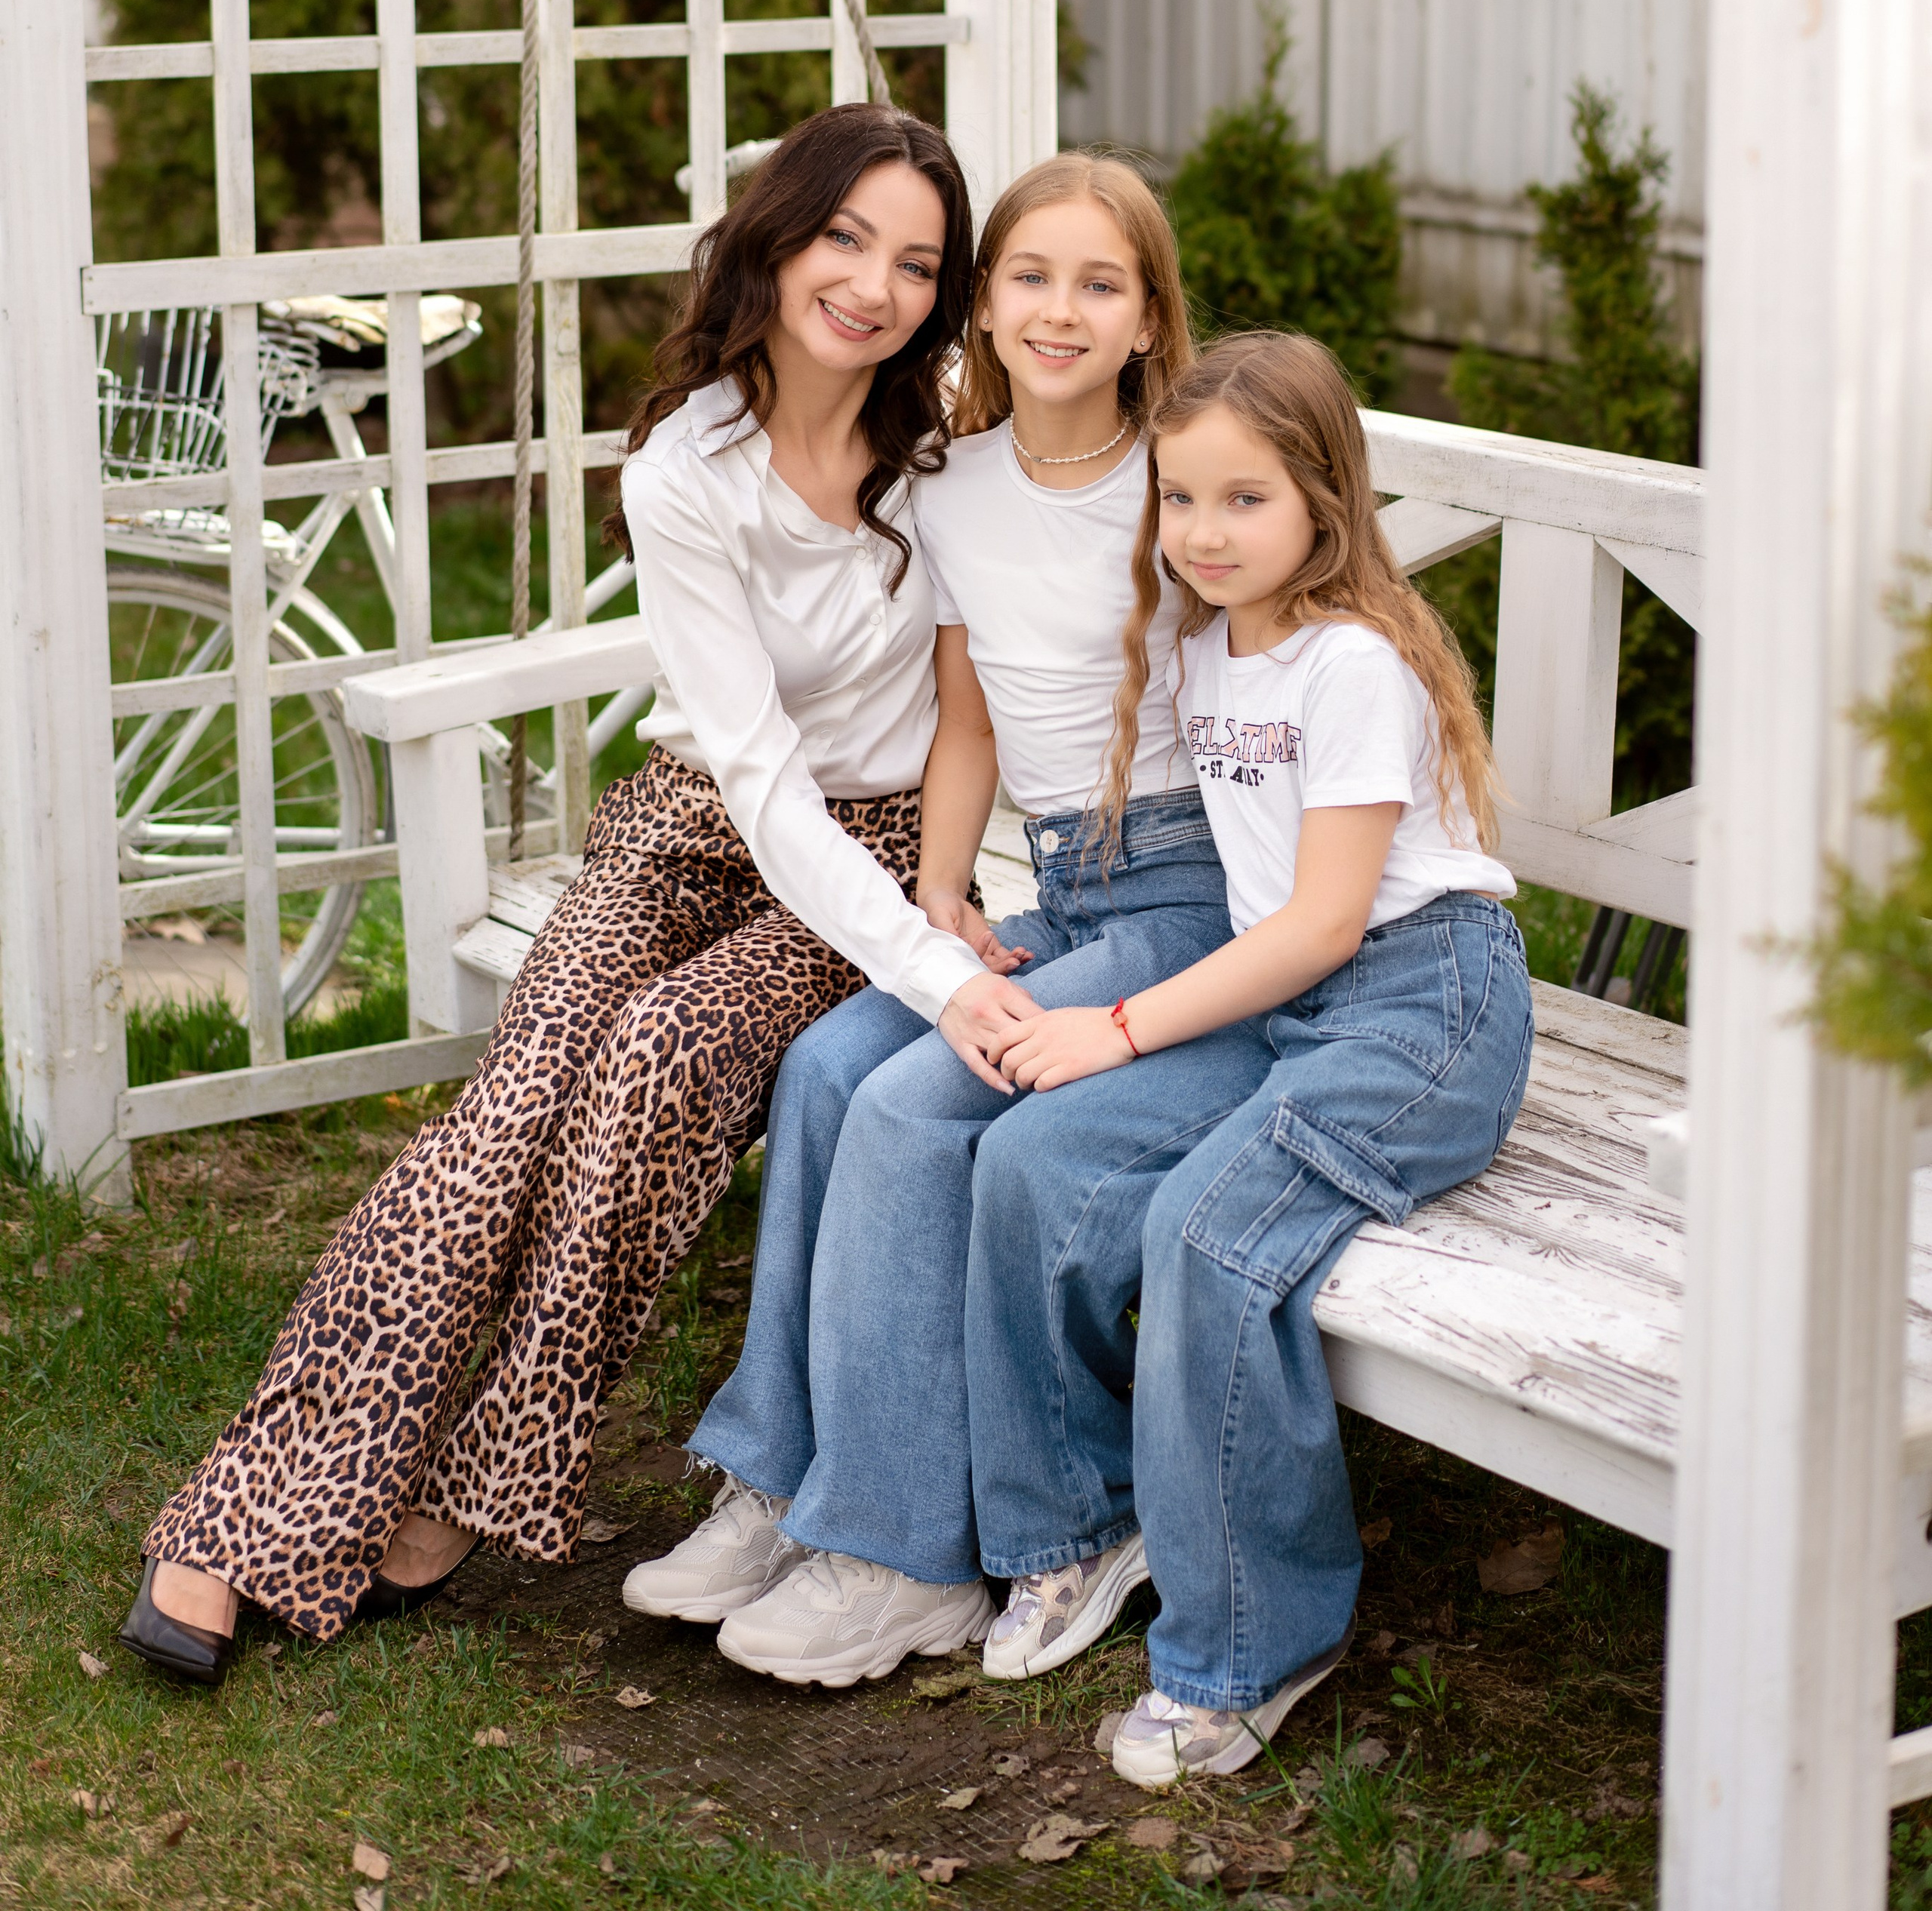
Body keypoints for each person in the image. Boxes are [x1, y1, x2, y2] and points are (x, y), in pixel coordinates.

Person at [120, 103, 999, 1685]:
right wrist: (940, 981)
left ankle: (479, 1473)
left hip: (862, 861)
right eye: (845, 237)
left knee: (654, 1063)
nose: (873, 284)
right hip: (696, 823)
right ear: (779, 238)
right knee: (514, 1107)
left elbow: (951, 719)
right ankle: (250, 1508)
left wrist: (931, 937)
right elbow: (745, 771)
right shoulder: (688, 469)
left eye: (917, 262)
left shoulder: (946, 459)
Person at [622, 152, 1235, 1682]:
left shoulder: (1186, 482)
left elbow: (1297, 679)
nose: (1058, 308)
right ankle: (784, 1478)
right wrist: (943, 889)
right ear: (978, 306)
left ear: (1149, 315)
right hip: (1065, 888)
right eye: (1027, 276)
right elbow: (963, 716)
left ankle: (903, 1558)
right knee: (831, 1070)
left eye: (1100, 282)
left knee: (907, 1109)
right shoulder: (950, 482)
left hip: (1196, 895)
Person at [958, 331, 1535, 1783]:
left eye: (1246, 501)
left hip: (1423, 1011)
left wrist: (1120, 1027)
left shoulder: (1356, 661)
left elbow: (1332, 920)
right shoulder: (1209, 652)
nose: (1204, 535)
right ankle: (1079, 1526)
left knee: (1209, 1234)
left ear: (1324, 508)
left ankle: (1249, 1646)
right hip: (1289, 1003)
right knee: (1031, 1155)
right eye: (1181, 499)